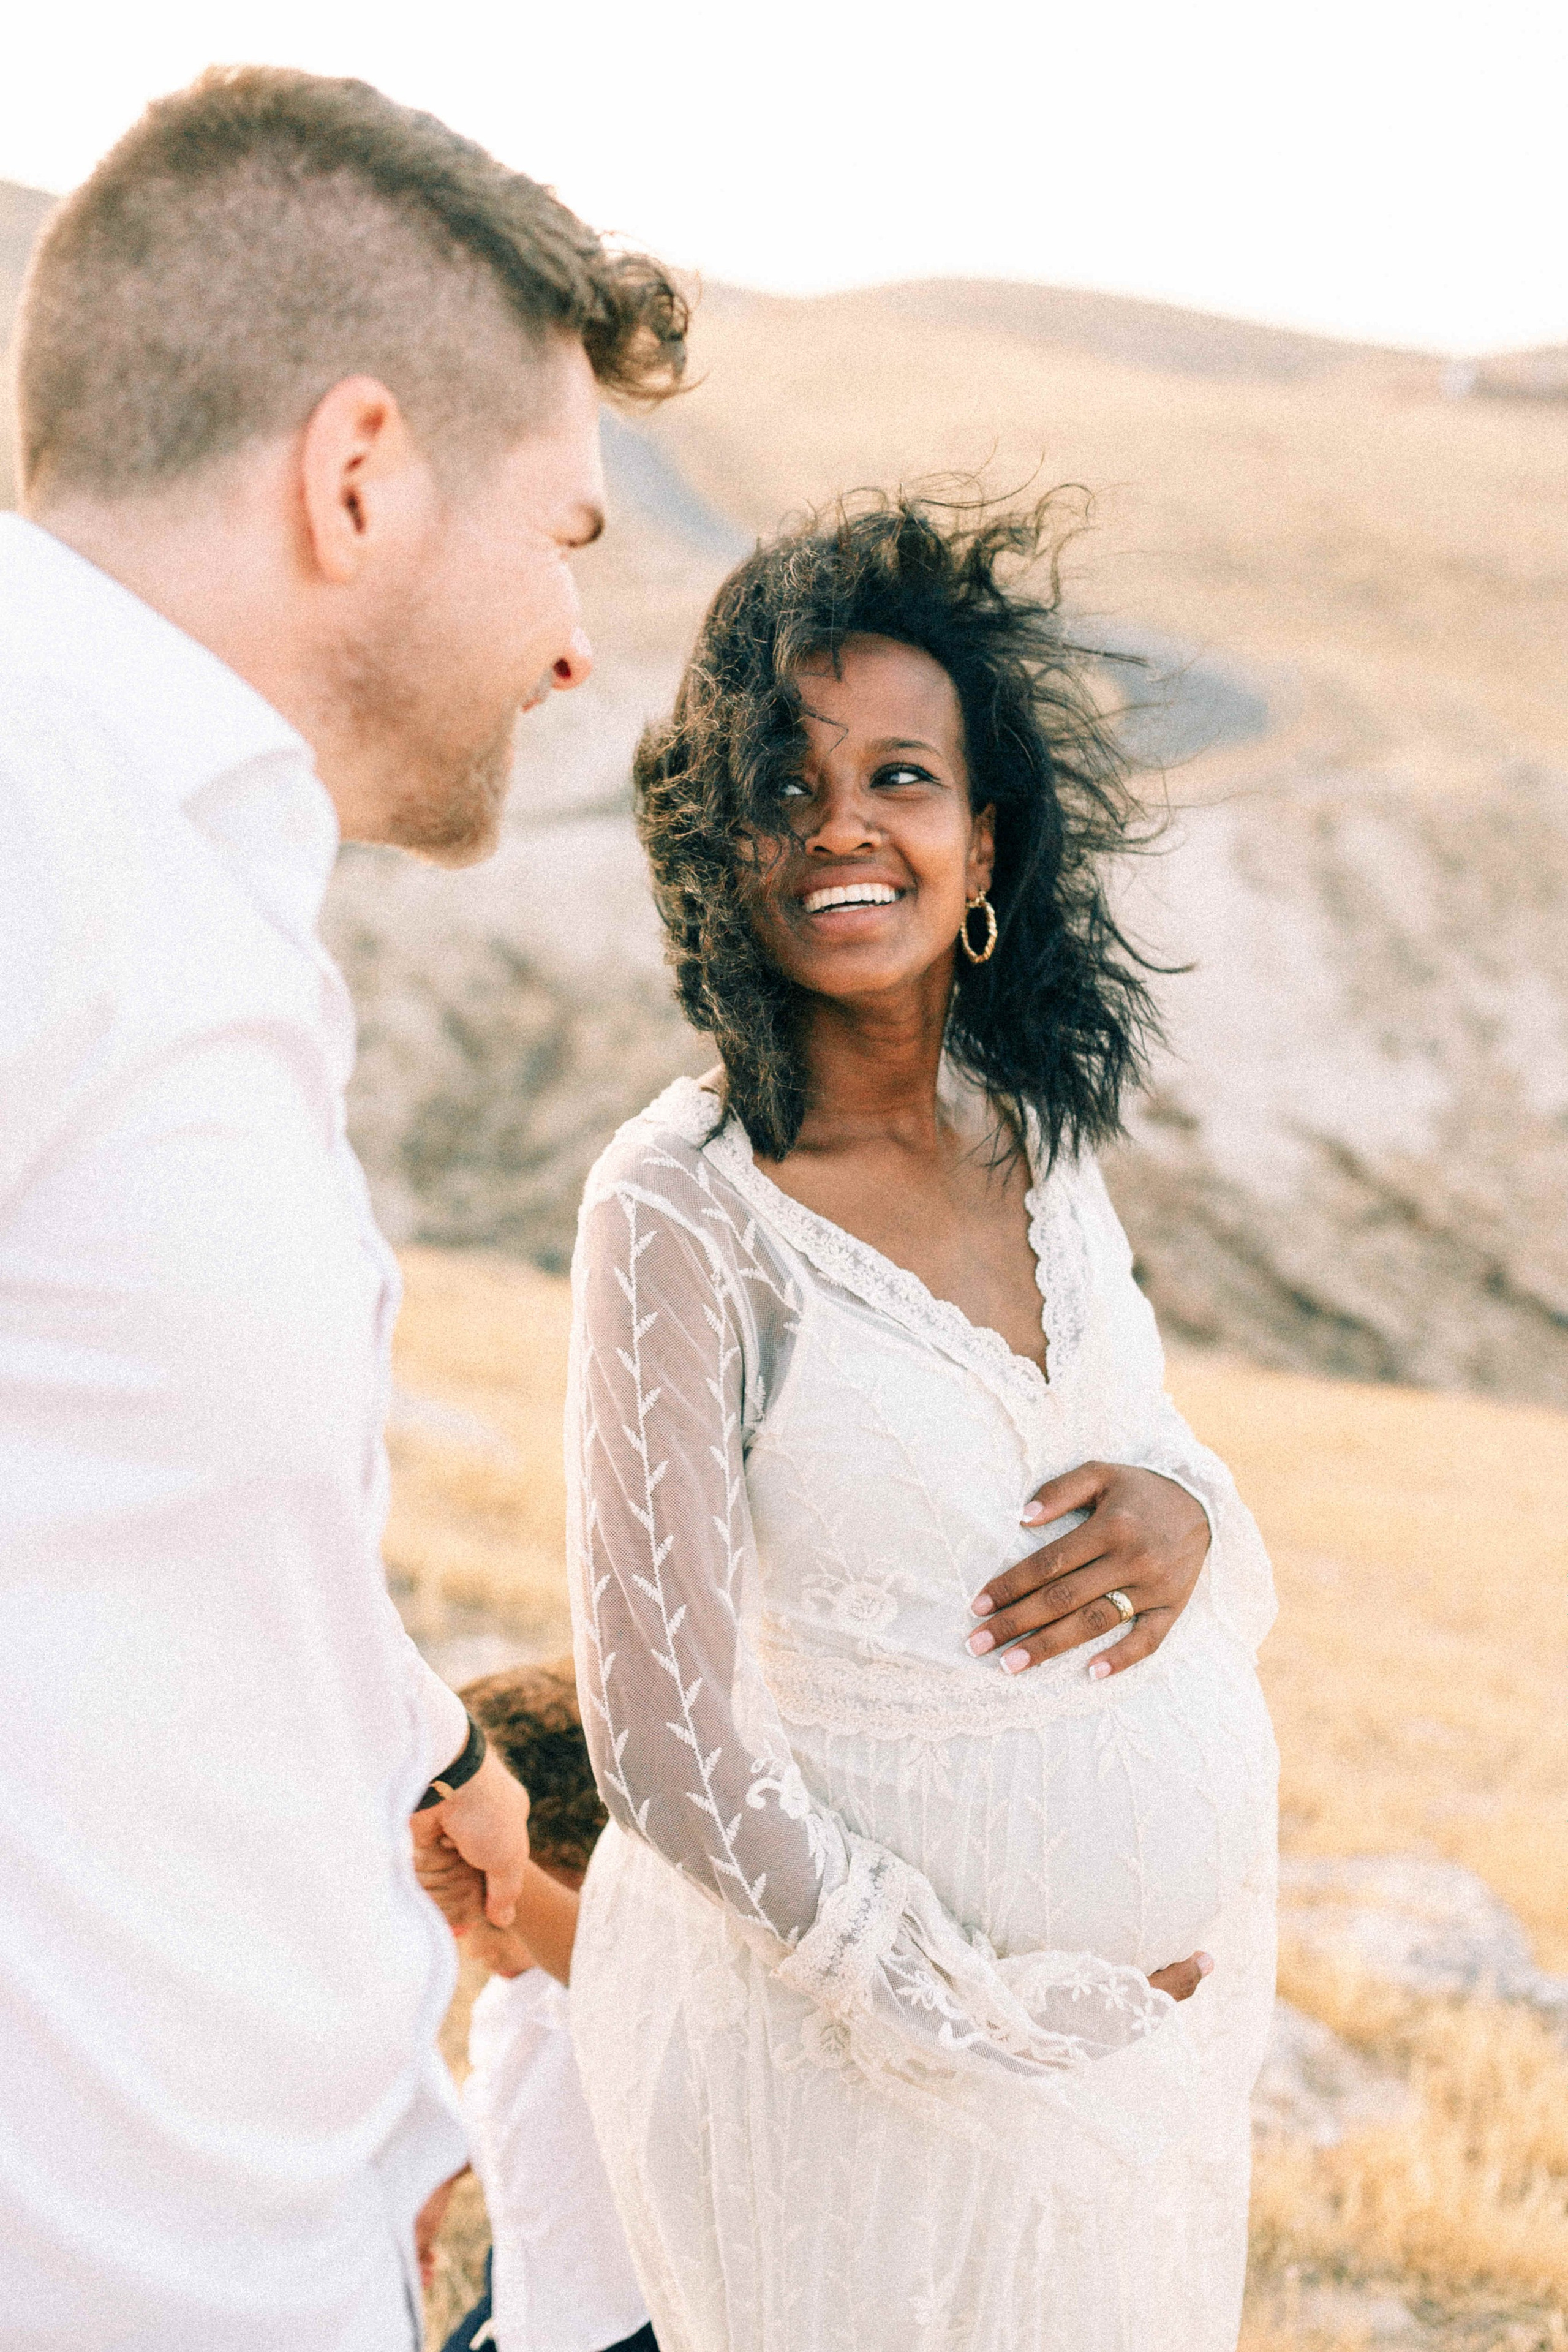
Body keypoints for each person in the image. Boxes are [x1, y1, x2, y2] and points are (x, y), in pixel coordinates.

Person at [0, 66, 683, 2351]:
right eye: (567, 535)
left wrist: (417, 1742)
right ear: (360, 472)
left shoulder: (178, 881)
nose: (575, 643)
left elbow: (140, 1507)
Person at [562, 497, 1280, 2352]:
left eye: (900, 775)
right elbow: (655, 1739)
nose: (841, 824)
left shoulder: (1033, 1138)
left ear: (982, 853)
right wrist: (992, 2007)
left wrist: (1188, 1512)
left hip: (1149, 2065)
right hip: (865, 2095)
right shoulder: (682, 1203)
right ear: (715, 845)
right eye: (782, 784)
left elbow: (1154, 1452)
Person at [415, 1660, 657, 2352]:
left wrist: (505, 1875)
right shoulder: (512, 1997)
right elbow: (515, 2090)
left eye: (476, 1903)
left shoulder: (630, 1974)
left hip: (625, 2324)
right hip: (528, 2296)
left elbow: (602, 1970)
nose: (463, 1931)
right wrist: (443, 2169)